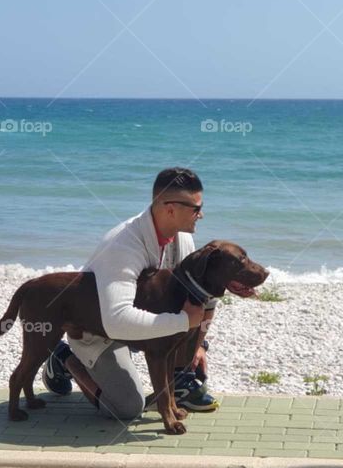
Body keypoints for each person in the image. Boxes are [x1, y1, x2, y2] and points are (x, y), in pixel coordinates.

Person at [42, 167, 218, 419]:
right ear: (170, 209)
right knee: (126, 408)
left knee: (206, 290)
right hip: (98, 331)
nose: (201, 215)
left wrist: (196, 346)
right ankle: (64, 358)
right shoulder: (122, 245)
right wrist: (182, 322)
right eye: (196, 208)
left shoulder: (183, 239)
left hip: (144, 325)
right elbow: (117, 321)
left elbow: (200, 295)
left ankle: (179, 378)